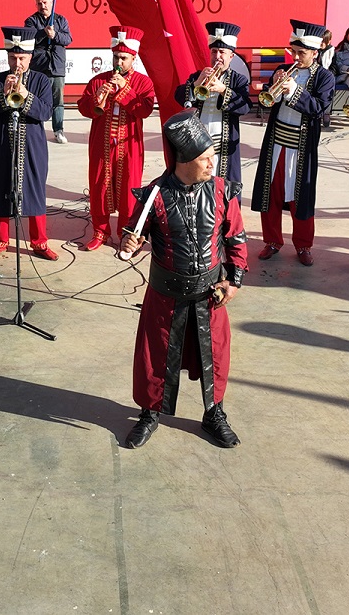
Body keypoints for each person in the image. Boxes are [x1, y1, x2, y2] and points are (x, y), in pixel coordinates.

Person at [119, 110, 248, 450]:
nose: (212, 164)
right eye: (205, 159)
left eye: (212, 157)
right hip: (165, 294)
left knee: (215, 356)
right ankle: (149, 413)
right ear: (185, 160)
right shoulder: (154, 196)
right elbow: (134, 235)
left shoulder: (222, 191)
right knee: (155, 356)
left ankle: (214, 413)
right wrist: (130, 243)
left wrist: (232, 281)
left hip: (210, 294)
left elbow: (236, 239)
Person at [252, 19, 336, 265]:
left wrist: (294, 91)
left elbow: (319, 108)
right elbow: (266, 102)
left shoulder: (325, 77)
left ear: (314, 52)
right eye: (294, 52)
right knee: (271, 193)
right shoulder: (282, 68)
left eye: (302, 53)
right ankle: (272, 241)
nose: (296, 57)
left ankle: (303, 245)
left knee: (301, 197)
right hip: (277, 141)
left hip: (302, 145)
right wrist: (273, 87)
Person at [77, 25, 156, 252]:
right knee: (99, 185)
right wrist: (97, 99)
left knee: (129, 187)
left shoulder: (143, 83)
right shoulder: (98, 80)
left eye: (123, 58)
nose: (118, 62)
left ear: (133, 58)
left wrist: (125, 90)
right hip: (101, 143)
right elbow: (83, 108)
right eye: (115, 57)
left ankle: (126, 232)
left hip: (129, 144)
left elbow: (144, 110)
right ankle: (100, 231)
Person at [0, 26, 57, 260]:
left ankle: (39, 242)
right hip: (3, 144)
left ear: (30, 57)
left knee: (34, 189)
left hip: (32, 146)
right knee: (1, 187)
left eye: (22, 58)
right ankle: (0, 240)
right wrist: (3, 94)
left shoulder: (42, 81)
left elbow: (45, 113)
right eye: (13, 58)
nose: (17, 63)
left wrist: (26, 95)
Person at [177, 21, 252, 186]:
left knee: (221, 186)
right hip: (198, 143)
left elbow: (245, 107)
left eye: (222, 52)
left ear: (231, 56)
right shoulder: (198, 75)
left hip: (223, 147)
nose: (217, 57)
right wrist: (196, 84)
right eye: (214, 51)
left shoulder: (239, 80)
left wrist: (224, 90)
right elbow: (178, 96)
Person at [25, 0, 71, 144]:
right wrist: (44, 33)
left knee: (58, 102)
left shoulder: (60, 20)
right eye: (39, 3)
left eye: (45, 2)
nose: (42, 6)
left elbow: (68, 39)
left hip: (56, 67)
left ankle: (58, 130)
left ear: (51, 3)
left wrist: (55, 35)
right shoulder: (31, 21)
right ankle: (36, 130)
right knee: (36, 100)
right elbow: (29, 39)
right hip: (39, 67)